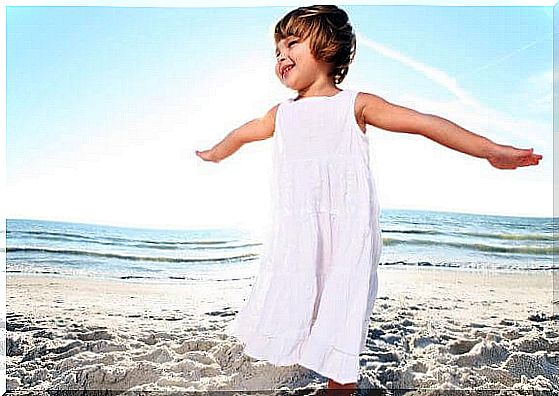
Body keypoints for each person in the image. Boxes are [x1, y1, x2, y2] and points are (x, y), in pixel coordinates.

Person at [195, 5, 542, 391]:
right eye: (276, 51)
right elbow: (244, 133)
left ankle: (339, 385)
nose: (281, 56)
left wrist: (490, 150)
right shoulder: (281, 114)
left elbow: (424, 123)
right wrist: (215, 152)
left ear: (326, 47)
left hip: (347, 237)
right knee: (299, 308)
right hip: (298, 238)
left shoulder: (354, 105)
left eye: (291, 43)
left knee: (342, 318)